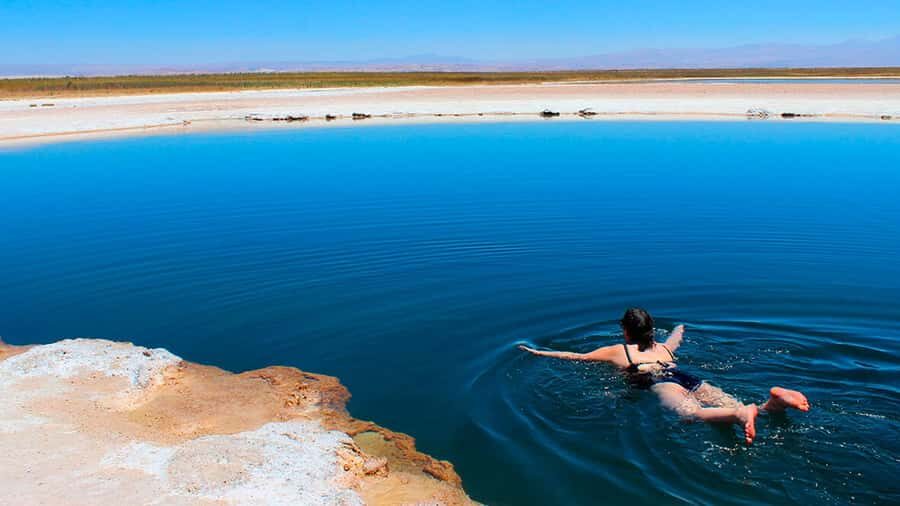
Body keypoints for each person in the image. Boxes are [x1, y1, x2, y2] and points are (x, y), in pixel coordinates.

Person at [519, 307, 810, 444]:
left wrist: (537, 352)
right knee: (720, 402)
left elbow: (576, 357)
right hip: (683, 375)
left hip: (659, 382)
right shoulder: (664, 349)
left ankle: (739, 415)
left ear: (625, 331)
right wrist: (679, 328)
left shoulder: (619, 351)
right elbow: (675, 340)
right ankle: (772, 404)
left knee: (692, 414)